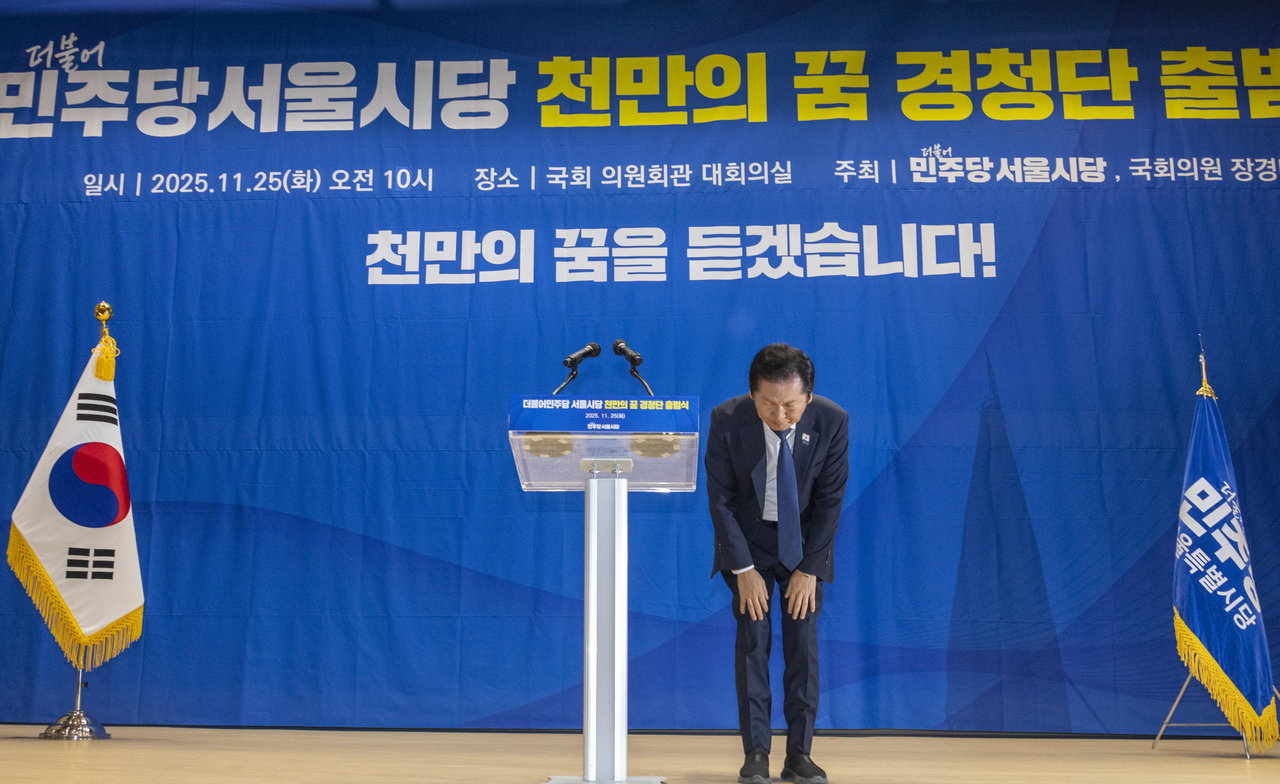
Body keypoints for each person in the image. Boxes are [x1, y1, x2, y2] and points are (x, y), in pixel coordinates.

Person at [705, 343, 850, 784]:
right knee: (753, 642)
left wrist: (810, 569)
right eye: (768, 404)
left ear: (808, 396)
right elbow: (721, 501)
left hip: (802, 545)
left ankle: (799, 756)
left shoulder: (831, 421)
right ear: (752, 394)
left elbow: (830, 501)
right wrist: (742, 569)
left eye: (790, 405)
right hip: (749, 544)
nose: (779, 415)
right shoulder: (727, 420)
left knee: (802, 645)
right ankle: (756, 754)